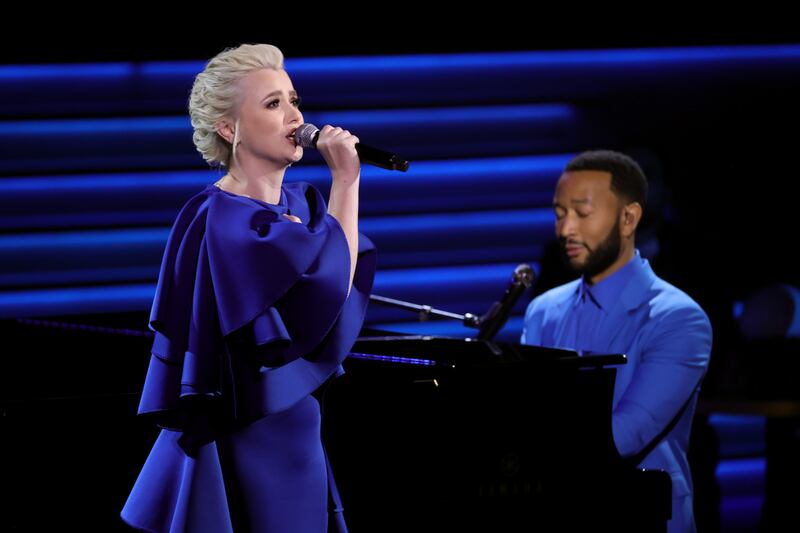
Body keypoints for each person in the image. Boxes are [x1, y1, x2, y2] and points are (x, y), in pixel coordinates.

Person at [120, 43, 376, 532]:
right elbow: (329, 288)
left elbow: (329, 294)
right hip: (249, 438)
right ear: (228, 128)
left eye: (293, 99)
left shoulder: (301, 207)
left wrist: (341, 188)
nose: (294, 115)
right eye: (272, 103)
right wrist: (347, 179)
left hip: (298, 432)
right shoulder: (221, 218)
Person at [520, 150, 712, 533]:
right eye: (560, 214)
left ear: (629, 218)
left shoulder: (678, 318)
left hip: (643, 517)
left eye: (582, 213)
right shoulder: (544, 310)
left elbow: (625, 434)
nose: (566, 229)